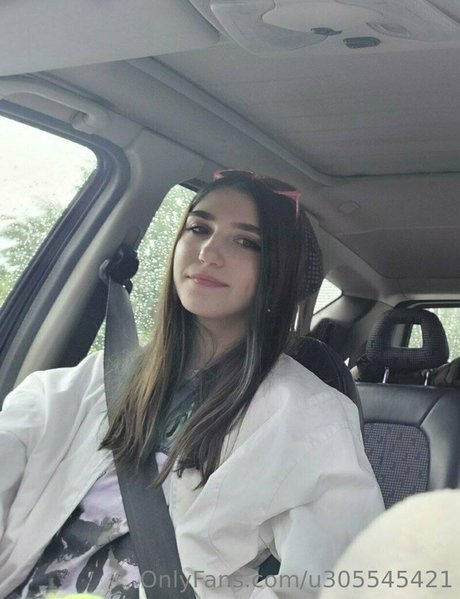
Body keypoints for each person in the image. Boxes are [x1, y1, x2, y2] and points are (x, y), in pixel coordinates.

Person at [0, 171, 384, 599]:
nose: (208, 252)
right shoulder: (87, 382)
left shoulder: (308, 415)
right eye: (199, 228)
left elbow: (341, 581)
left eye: (246, 242)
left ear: (279, 270)